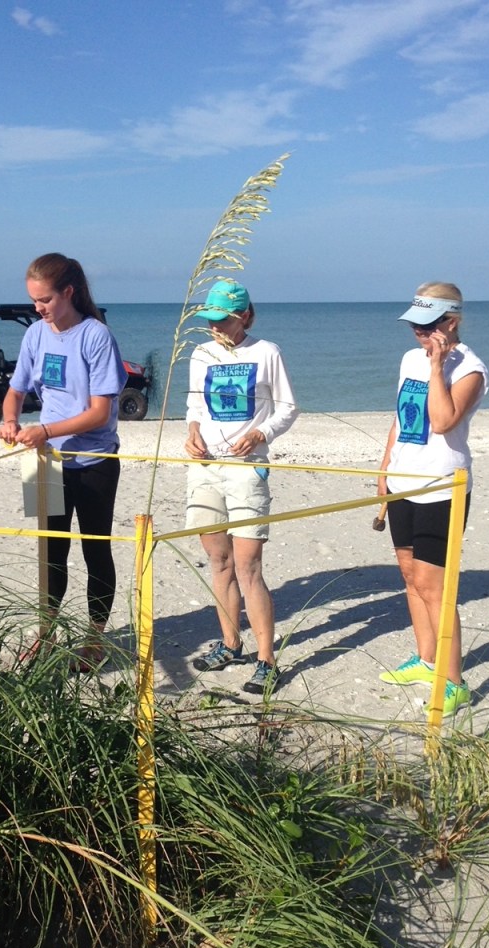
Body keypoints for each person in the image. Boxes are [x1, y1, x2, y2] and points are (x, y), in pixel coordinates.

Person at [0, 253, 127, 670]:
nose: (39, 308)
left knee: (94, 550)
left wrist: (46, 430)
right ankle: (45, 633)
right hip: (45, 461)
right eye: (34, 300)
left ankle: (94, 638)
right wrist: (10, 418)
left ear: (68, 292)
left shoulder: (95, 335)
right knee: (49, 552)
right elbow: (16, 390)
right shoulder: (35, 333)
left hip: (93, 461)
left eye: (45, 299)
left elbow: (99, 412)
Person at [376, 282, 488, 716]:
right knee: (409, 576)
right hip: (403, 480)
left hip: (442, 486)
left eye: (427, 326)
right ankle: (426, 659)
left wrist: (439, 365)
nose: (419, 334)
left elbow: (441, 421)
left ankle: (453, 681)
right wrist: (384, 472)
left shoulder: (470, 369)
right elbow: (401, 417)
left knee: (434, 585)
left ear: (450, 323)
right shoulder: (409, 359)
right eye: (414, 326)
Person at [185, 280, 298, 695]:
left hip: (247, 467)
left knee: (249, 567)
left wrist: (261, 434)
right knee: (219, 562)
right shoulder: (201, 353)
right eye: (209, 319)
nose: (214, 327)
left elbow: (288, 407)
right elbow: (195, 405)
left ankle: (267, 660)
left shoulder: (266, 352)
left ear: (245, 316)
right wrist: (192, 431)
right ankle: (231, 643)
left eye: (221, 319)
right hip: (206, 467)